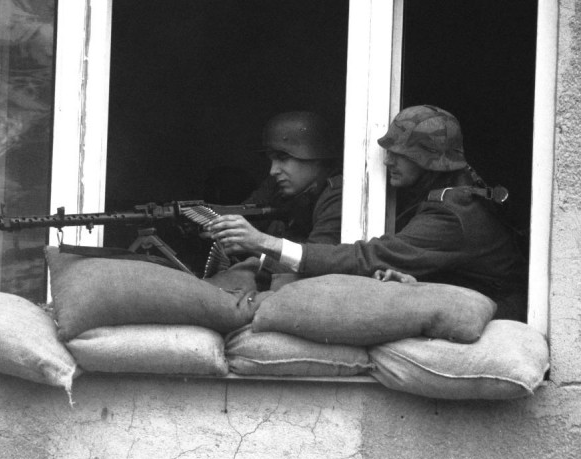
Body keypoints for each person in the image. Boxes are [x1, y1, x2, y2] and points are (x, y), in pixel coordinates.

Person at [207, 105, 528, 320]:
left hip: (498, 312)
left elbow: (368, 257)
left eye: (400, 154)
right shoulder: (446, 197)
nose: (388, 162)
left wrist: (266, 244)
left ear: (428, 160)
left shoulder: (453, 214)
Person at [204, 110, 343, 286]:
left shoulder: (337, 197)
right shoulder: (278, 186)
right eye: (272, 160)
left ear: (314, 156)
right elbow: (245, 216)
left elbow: (315, 266)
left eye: (282, 159)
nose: (273, 170)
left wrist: (257, 247)